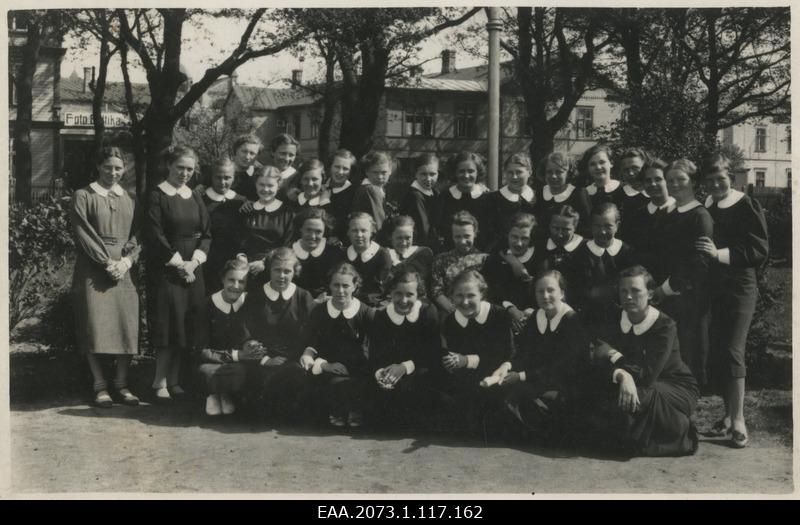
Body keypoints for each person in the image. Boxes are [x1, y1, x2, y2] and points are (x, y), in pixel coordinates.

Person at [696, 153, 769, 448]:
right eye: (710, 180)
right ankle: (727, 417)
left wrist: (719, 255)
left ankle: (739, 421)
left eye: (721, 179)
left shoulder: (745, 204)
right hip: (714, 287)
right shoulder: (708, 205)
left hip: (740, 285)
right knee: (718, 351)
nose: (715, 184)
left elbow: (759, 250)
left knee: (732, 350)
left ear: (732, 177)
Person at [589, 265, 699, 457]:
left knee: (633, 401)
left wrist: (614, 356)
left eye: (635, 291)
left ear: (649, 294)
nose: (628, 296)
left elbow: (647, 375)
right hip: (632, 383)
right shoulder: (614, 318)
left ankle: (680, 429)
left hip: (673, 386)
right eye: (623, 291)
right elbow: (597, 355)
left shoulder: (665, 326)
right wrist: (621, 374)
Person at [70, 146, 141, 407]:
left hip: (124, 268)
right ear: (98, 166)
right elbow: (83, 233)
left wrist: (126, 261)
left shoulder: (131, 197)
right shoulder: (83, 195)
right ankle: (99, 385)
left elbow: (138, 234)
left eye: (118, 168)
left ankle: (122, 384)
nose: (113, 172)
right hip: (94, 268)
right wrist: (106, 262)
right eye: (108, 167)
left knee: (126, 325)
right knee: (95, 325)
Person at [146, 145, 211, 403]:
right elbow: (154, 234)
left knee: (186, 324)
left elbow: (207, 234)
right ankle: (158, 381)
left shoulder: (195, 196)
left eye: (189, 169)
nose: (185, 173)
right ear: (169, 166)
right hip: (168, 268)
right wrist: (179, 264)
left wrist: (193, 263)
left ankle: (174, 380)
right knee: (168, 324)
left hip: (193, 268)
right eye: (180, 167)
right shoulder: (157, 195)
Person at [500, 270, 589, 442]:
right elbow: (525, 352)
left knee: (523, 399)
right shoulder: (536, 316)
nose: (545, 296)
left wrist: (521, 376)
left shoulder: (572, 321)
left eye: (550, 290)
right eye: (540, 291)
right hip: (539, 379)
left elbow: (565, 366)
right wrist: (508, 366)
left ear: (562, 293)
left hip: (566, 384)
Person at [299, 262, 376, 428]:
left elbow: (376, 344)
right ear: (330, 286)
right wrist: (324, 364)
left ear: (355, 286)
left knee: (359, 381)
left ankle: (354, 409)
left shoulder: (366, 312)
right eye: (336, 285)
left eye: (346, 285)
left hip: (359, 367)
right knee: (331, 382)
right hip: (328, 366)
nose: (340, 291)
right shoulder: (319, 311)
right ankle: (337, 409)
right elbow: (311, 343)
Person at [242, 247, 315, 421]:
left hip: (295, 359)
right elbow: (246, 331)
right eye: (277, 270)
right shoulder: (255, 297)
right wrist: (266, 359)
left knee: (296, 377)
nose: (282, 276)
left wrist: (303, 355)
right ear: (269, 270)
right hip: (262, 360)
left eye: (287, 271)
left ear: (294, 272)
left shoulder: (303, 297)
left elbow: (313, 332)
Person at [658, 159, 713, 386]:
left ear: (693, 182)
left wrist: (668, 288)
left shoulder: (699, 216)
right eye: (670, 180)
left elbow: (699, 264)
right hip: (670, 296)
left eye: (681, 179)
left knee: (691, 351)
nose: (675, 184)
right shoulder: (671, 214)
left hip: (692, 297)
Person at [440, 270, 515, 433]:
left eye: (471, 295)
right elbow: (455, 355)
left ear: (482, 294)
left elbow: (506, 355)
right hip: (469, 380)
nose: (465, 302)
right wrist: (452, 361)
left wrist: (467, 360)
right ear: (451, 296)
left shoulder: (498, 315)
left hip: (497, 375)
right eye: (459, 296)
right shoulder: (451, 321)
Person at [193, 256, 265, 417]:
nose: (236, 286)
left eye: (242, 282)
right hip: (211, 361)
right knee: (206, 372)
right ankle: (213, 394)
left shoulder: (250, 303)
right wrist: (237, 355)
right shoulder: (207, 305)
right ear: (222, 280)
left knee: (244, 371)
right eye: (231, 280)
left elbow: (253, 335)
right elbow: (200, 350)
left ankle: (226, 394)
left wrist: (252, 345)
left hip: (239, 364)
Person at [368, 270, 441, 428]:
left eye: (409, 294)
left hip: (419, 370)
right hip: (391, 374)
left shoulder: (428, 312)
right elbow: (375, 354)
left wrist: (404, 367)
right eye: (398, 294)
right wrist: (381, 373)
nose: (403, 300)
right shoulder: (381, 317)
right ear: (390, 294)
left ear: (418, 295)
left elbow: (433, 352)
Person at [574, 203, 636, 340]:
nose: (602, 231)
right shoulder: (581, 253)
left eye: (608, 226)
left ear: (617, 225)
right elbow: (581, 290)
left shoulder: (627, 252)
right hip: (590, 318)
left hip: (624, 317)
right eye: (597, 226)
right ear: (591, 226)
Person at [481, 212, 543, 334]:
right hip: (502, 315)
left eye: (524, 238)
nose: (519, 243)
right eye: (514, 237)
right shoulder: (495, 259)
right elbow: (490, 292)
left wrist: (529, 312)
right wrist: (510, 309)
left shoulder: (540, 259)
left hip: (533, 316)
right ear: (507, 235)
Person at [239, 166, 295, 290]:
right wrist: (242, 259)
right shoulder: (247, 210)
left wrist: (264, 262)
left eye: (270, 186)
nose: (265, 189)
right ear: (256, 185)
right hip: (245, 268)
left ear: (278, 185)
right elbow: (239, 240)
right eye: (261, 185)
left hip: (274, 269)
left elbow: (287, 245)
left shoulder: (287, 213)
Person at [430, 211, 489, 318]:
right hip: (450, 313)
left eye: (467, 236)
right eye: (458, 237)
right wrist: (454, 311)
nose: (462, 241)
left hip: (479, 312)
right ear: (452, 236)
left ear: (475, 233)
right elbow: (436, 291)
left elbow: (487, 291)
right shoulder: (441, 259)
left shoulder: (485, 260)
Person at [202, 157, 247, 293]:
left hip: (233, 259)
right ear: (211, 177)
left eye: (227, 178)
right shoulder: (201, 199)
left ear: (234, 178)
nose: (222, 182)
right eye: (218, 177)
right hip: (208, 258)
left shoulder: (241, 201)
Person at [436, 152, 491, 251]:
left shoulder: (487, 197)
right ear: (455, 172)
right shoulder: (445, 197)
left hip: (481, 254)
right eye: (461, 171)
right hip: (450, 253)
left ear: (477, 172)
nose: (466, 175)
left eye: (471, 171)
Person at [624, 158, 675, 260]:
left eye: (658, 179)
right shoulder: (637, 216)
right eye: (648, 180)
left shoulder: (683, 211)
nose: (653, 184)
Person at [484, 153, 536, 252]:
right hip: (501, 256)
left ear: (529, 172)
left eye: (519, 172)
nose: (514, 177)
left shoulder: (538, 198)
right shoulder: (492, 199)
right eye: (510, 172)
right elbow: (489, 237)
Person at [291, 207, 346, 299]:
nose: (313, 236)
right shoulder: (290, 252)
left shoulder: (335, 254)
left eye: (318, 232)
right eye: (308, 230)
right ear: (301, 228)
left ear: (324, 232)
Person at [534, 152, 591, 237]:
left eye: (559, 172)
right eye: (549, 172)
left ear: (568, 173)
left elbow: (586, 227)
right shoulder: (540, 193)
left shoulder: (578, 194)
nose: (553, 176)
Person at [540, 204, 585, 310]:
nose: (560, 234)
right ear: (549, 225)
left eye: (566, 229)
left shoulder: (585, 248)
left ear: (575, 227)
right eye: (555, 228)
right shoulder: (540, 247)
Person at [345, 212, 392, 306]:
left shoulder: (382, 255)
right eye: (354, 230)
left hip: (371, 305)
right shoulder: (344, 254)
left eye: (363, 230)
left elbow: (378, 291)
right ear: (348, 232)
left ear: (371, 232)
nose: (359, 235)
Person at [398, 153, 441, 251]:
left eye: (432, 174)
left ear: (438, 173)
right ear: (415, 174)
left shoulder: (434, 192)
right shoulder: (415, 196)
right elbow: (423, 230)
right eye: (423, 174)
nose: (428, 179)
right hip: (420, 246)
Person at [385, 215, 435, 286]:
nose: (404, 243)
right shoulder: (385, 254)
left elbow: (417, 280)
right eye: (399, 238)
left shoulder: (422, 253)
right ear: (390, 237)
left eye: (408, 238)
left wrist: (396, 264)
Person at [351, 151, 392, 235]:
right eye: (375, 172)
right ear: (367, 172)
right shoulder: (371, 190)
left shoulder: (378, 189)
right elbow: (379, 224)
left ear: (390, 171)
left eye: (384, 172)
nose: (380, 177)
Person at [616, 147, 650, 243]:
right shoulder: (617, 195)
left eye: (635, 168)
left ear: (645, 167)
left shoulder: (656, 194)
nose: (631, 173)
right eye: (626, 170)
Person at [579, 144, 624, 212]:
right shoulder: (584, 194)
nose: (598, 167)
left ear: (611, 163)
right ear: (588, 168)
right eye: (592, 164)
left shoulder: (623, 189)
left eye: (602, 162)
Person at [326, 149, 357, 245]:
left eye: (345, 169)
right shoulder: (319, 186)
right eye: (337, 167)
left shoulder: (355, 193)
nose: (340, 172)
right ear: (330, 167)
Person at [229, 134, 264, 203]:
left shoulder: (260, 174)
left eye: (252, 153)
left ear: (257, 156)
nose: (247, 157)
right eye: (244, 151)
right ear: (235, 151)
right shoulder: (222, 169)